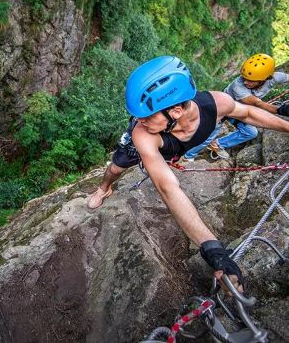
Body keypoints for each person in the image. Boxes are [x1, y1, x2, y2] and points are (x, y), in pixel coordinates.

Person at [87, 55, 289, 291]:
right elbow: (167, 187)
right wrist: (213, 249)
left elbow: (248, 114)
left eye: (144, 116)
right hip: (155, 146)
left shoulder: (216, 104)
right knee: (116, 168)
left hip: (178, 145)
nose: (137, 121)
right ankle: (103, 188)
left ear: (174, 111)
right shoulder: (142, 133)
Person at [182, 53, 289, 161]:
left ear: (264, 79)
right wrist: (281, 110)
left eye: (251, 80)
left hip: (239, 111)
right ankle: (188, 157)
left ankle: (217, 144)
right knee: (207, 136)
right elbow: (258, 104)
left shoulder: (275, 78)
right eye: (244, 78)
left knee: (251, 132)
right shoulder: (238, 86)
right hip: (222, 110)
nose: (246, 82)